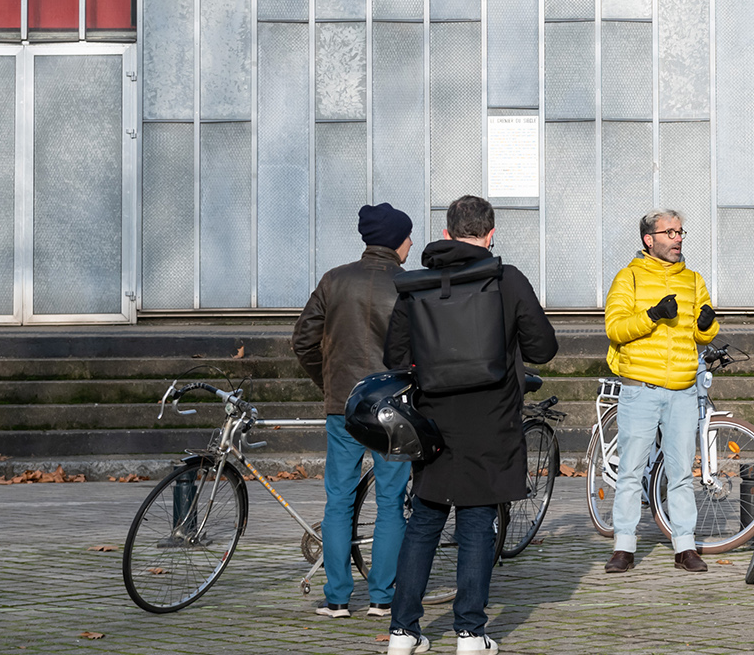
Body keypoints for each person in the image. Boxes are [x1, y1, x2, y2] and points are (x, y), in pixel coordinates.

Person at [384, 195, 558, 655]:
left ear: (445, 233)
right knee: (478, 522)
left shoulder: (415, 286)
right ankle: (469, 633)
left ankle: (402, 631)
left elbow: (394, 358)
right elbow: (543, 348)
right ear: (490, 233)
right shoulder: (507, 279)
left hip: (435, 419)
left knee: (424, 518)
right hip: (492, 419)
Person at [291, 201, 415, 619]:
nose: (412, 243)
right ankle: (382, 597)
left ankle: (338, 597)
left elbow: (303, 341)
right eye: (408, 236)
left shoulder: (333, 280)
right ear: (397, 241)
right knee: (391, 500)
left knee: (338, 499)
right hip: (393, 409)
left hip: (343, 405)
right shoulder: (410, 284)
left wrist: (330, 384)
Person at [601, 209, 720, 574]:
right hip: (641, 387)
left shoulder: (694, 280)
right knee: (631, 471)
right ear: (648, 240)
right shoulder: (629, 278)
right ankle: (624, 546)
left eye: (680, 231)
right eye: (669, 232)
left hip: (683, 388)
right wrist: (651, 315)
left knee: (682, 471)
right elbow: (614, 329)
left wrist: (706, 326)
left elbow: (703, 334)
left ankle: (684, 546)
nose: (677, 238)